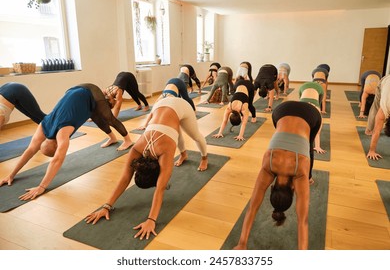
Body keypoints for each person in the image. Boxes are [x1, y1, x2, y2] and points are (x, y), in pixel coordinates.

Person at [84, 96, 208, 240]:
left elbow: (160, 188)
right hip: (160, 104)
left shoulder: (165, 153)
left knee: (195, 136)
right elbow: (125, 178)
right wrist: (106, 206)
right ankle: (184, 154)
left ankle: (204, 157)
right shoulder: (137, 149)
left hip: (180, 105)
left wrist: (151, 220)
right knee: (175, 131)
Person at [0, 83, 133, 200]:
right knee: (98, 118)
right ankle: (113, 138)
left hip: (90, 91)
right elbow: (30, 150)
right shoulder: (44, 124)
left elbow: (56, 159)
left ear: (56, 145)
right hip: (75, 90)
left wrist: (42, 186)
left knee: (108, 118)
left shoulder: (63, 133)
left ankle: (127, 140)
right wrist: (11, 175)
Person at [233, 100, 322, 250]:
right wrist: (241, 243)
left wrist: (243, 244)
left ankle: (310, 174)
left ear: (293, 189)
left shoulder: (300, 174)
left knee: (309, 146)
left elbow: (303, 221)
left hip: (310, 113)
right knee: (307, 144)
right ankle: (310, 172)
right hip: (281, 111)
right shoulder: (268, 167)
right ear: (273, 187)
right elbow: (252, 208)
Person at [365, 74, 390, 160]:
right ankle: (368, 129)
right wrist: (372, 151)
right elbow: (377, 130)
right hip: (385, 82)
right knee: (375, 108)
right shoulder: (384, 108)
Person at [299, 81, 326, 154]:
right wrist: (317, 146)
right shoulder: (321, 89)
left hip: (302, 102)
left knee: (299, 126)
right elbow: (317, 132)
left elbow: (300, 98)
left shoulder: (303, 85)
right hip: (313, 105)